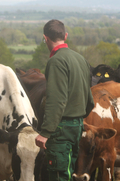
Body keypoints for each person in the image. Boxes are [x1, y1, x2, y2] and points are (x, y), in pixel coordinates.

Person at [35, 19, 94, 181]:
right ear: (65, 36)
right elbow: (89, 99)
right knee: (69, 172)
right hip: (77, 126)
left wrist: (46, 132)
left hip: (61, 128)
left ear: (45, 38)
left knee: (58, 175)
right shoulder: (80, 59)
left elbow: (56, 100)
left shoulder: (56, 61)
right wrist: (79, 118)